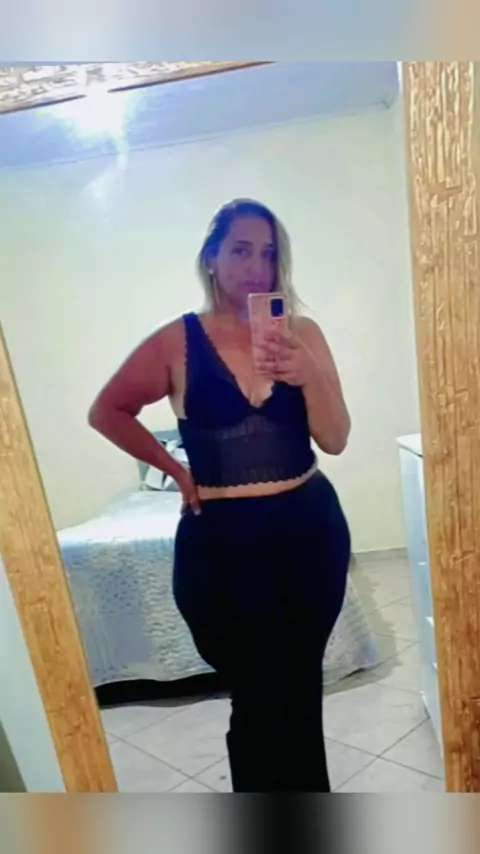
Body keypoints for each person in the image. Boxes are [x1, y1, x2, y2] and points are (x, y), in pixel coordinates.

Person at [88, 198, 351, 793]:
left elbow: (335, 439)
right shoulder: (176, 341)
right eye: (240, 250)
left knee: (300, 686)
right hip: (225, 545)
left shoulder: (302, 334)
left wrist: (308, 375)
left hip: (310, 530)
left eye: (269, 253)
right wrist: (175, 472)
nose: (256, 267)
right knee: (259, 695)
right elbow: (107, 411)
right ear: (211, 257)